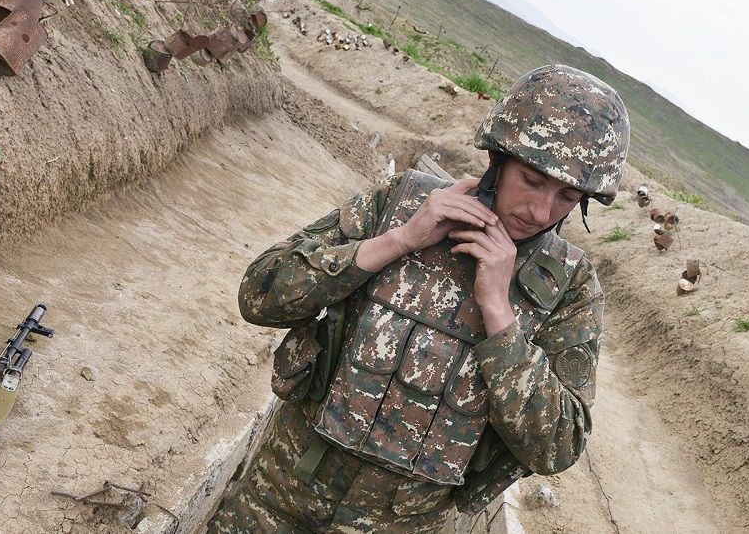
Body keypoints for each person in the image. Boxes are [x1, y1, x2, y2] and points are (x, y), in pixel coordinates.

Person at [208, 64, 630, 533]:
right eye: (531, 180)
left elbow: (557, 445)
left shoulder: (570, 286)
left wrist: (499, 316)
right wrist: (397, 241)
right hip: (275, 499)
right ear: (499, 159)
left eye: (567, 197)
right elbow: (259, 295)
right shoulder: (401, 204)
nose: (539, 211)